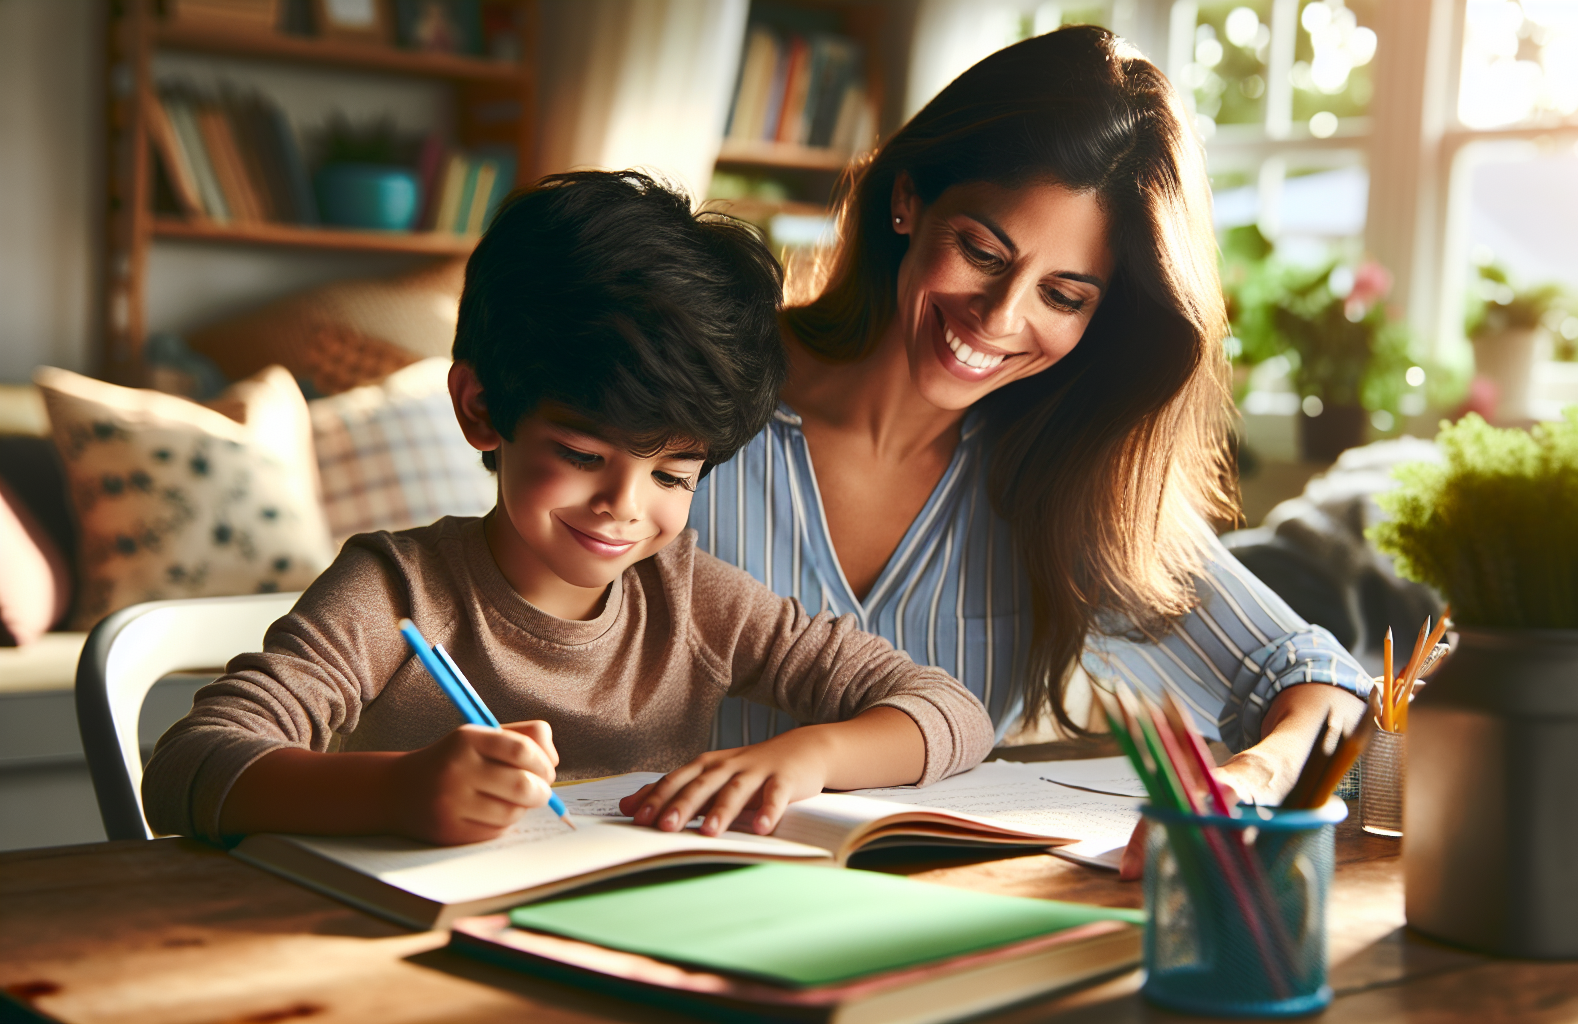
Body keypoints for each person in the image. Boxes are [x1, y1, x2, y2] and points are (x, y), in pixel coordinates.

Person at [690, 27, 1373, 874]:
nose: (1001, 318)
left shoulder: (1069, 479)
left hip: (950, 916)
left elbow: (1316, 681)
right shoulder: (690, 398)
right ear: (908, 200)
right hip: (658, 887)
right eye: (982, 251)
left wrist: (1248, 782)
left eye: (1064, 294)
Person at [141, 171, 993, 847]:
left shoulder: (693, 602)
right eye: (584, 456)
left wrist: (810, 755)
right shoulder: (396, 594)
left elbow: (953, 713)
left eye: (673, 476)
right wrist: (398, 790)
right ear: (480, 409)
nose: (625, 508)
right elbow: (190, 766)